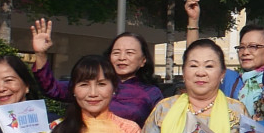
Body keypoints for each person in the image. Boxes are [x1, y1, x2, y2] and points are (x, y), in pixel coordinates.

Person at [29, 20, 164, 125]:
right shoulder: (91, 83)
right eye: (116, 52)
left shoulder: (151, 93)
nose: (122, 57)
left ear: (143, 60)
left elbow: (159, 130)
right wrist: (41, 54)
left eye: (129, 53)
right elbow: (52, 88)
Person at [221, 24, 264, 115]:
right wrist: (193, 23)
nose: (245, 52)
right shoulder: (228, 78)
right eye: (241, 47)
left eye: (253, 47)